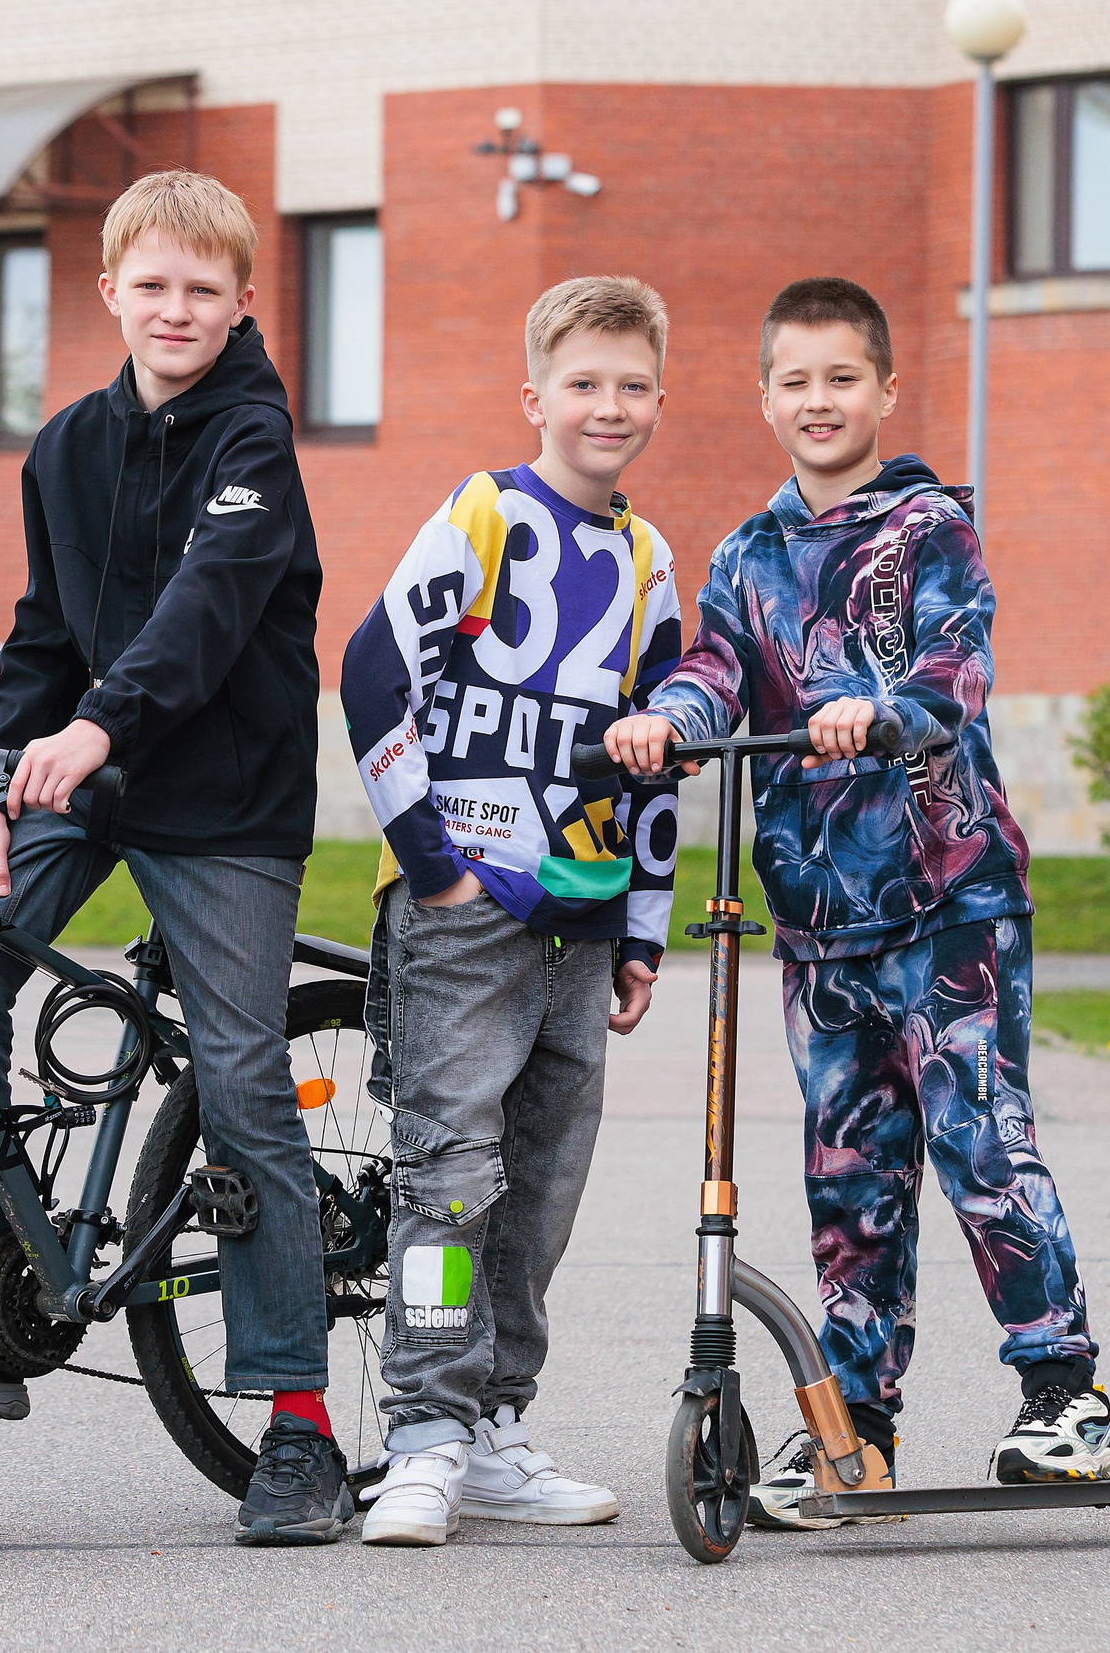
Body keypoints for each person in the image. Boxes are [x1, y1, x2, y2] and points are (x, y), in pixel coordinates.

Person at [0, 172, 345, 1545]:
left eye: (203, 291)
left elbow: (204, 614)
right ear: (110, 292)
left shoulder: (255, 442)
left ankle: (297, 1421)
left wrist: (99, 727)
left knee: (239, 1075)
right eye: (152, 287)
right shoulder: (65, 446)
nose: (176, 311)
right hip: (80, 778)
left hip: (221, 799)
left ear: (241, 304)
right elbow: (46, 631)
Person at [605, 277, 1110, 1526]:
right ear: (765, 397)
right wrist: (662, 726)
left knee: (979, 1142)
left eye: (843, 379)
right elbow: (714, 670)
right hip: (819, 923)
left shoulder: (929, 528)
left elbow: (955, 665)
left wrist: (880, 713)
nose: (819, 401)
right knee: (850, 1173)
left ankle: (1064, 1395)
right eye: (796, 380)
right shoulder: (748, 552)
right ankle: (857, 1426)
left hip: (950, 903)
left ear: (885, 391)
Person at [340, 276, 681, 1547]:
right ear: (535, 397)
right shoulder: (487, 515)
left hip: (581, 924)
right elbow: (375, 669)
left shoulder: (650, 564)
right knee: (447, 1178)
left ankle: (494, 1424)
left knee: (539, 1184)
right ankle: (422, 1431)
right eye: (584, 384)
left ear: (660, 400)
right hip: (465, 908)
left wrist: (641, 926)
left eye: (632, 385)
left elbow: (653, 760)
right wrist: (428, 860)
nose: (610, 406)